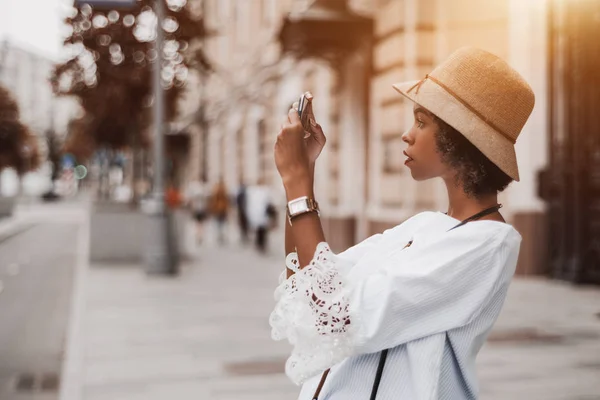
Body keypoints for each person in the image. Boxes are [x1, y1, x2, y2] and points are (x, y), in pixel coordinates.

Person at [270, 47, 535, 399]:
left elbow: (337, 316)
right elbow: (309, 286)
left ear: (461, 139)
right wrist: (304, 176)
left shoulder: (486, 245)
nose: (406, 135)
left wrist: (297, 183)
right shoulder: (423, 225)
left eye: (422, 121)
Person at [245, 178, 273, 253]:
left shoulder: (259, 191)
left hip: (260, 214)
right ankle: (260, 244)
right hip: (259, 214)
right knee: (261, 231)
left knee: (261, 230)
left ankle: (260, 244)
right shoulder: (257, 192)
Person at [209, 179, 230, 245]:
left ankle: (220, 235)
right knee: (222, 223)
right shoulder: (224, 191)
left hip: (218, 209)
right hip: (222, 209)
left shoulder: (216, 192)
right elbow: (227, 201)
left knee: (218, 223)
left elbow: (213, 201)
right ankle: (221, 234)